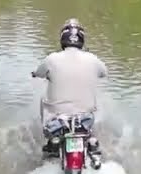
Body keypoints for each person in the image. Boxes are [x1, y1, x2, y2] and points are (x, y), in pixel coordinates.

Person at [31, 18, 107, 159]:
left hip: (59, 118)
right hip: (84, 117)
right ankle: (91, 140)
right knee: (95, 108)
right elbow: (104, 73)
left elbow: (39, 73)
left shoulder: (52, 59)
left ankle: (51, 141)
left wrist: (35, 74)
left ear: (63, 39)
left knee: (43, 99)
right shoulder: (92, 59)